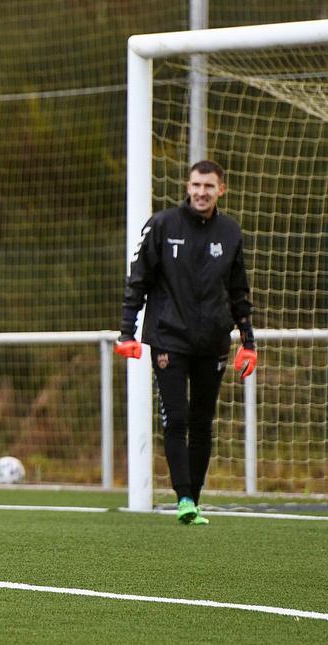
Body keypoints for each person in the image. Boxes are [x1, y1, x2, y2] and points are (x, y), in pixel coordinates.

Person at [115, 159, 257, 526]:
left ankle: (194, 496)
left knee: (203, 421)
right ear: (187, 185)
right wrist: (127, 331)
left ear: (220, 190)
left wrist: (248, 341)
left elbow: (239, 291)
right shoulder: (163, 225)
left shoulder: (230, 232)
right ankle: (184, 499)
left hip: (213, 341)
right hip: (168, 338)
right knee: (176, 417)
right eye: (196, 185)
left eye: (209, 186)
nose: (201, 192)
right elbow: (138, 279)